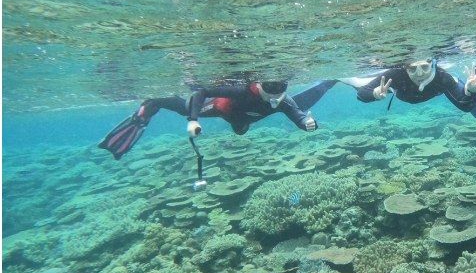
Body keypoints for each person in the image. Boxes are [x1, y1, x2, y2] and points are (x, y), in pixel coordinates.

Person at [99, 80, 335, 159]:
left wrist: (306, 124)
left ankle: (334, 80)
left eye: (280, 91)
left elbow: (297, 115)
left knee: (296, 105)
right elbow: (202, 92)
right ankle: (152, 104)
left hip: (235, 114)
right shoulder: (242, 91)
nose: (276, 96)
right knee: (187, 105)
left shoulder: (283, 101)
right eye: (271, 90)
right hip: (224, 107)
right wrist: (193, 119)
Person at [354, 58, 476, 112]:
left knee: (456, 86)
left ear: (432, 65)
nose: (419, 74)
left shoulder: (442, 77)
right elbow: (361, 95)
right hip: (396, 91)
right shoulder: (395, 74)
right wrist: (374, 94)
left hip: (437, 89)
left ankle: (461, 84)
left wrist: (471, 91)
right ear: (405, 68)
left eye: (424, 67)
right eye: (412, 69)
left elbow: (466, 107)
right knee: (370, 86)